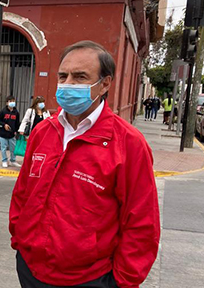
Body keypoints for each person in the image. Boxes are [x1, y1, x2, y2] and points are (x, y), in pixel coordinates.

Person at [9, 40, 160, 288]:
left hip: (89, 279)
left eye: (80, 77)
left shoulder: (128, 143)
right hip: (31, 270)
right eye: (63, 76)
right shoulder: (43, 131)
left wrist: (122, 282)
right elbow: (23, 192)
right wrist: (20, 239)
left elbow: (142, 223)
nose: (68, 84)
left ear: (105, 84)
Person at [0, 95, 20, 168]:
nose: (12, 103)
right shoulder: (3, 111)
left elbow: (17, 122)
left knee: (13, 148)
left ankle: (13, 160)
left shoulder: (16, 112)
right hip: (3, 134)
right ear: (7, 103)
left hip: (12, 134)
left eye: (13, 101)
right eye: (10, 101)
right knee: (3, 148)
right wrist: (4, 125)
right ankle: (4, 160)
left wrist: (16, 131)